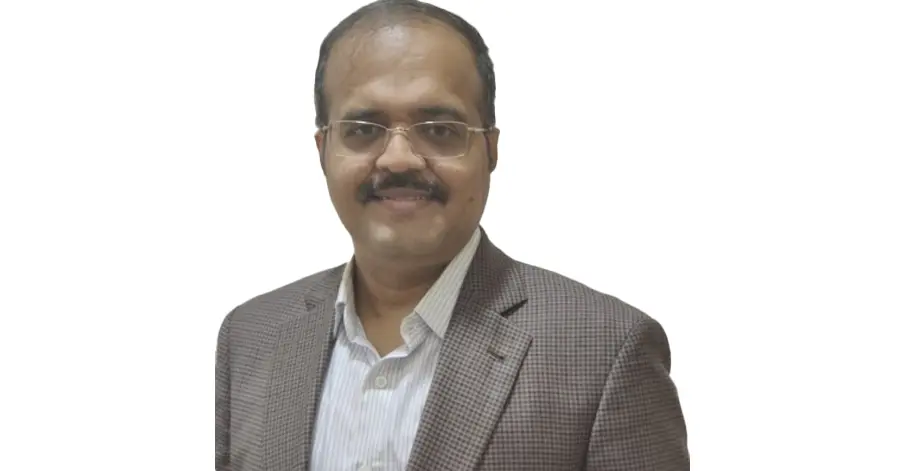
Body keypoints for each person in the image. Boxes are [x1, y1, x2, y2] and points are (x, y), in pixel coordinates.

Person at [215, 0, 689, 469]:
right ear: (323, 150)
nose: (398, 158)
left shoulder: (605, 352)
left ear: (490, 149)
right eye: (363, 129)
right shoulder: (251, 336)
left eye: (439, 130)